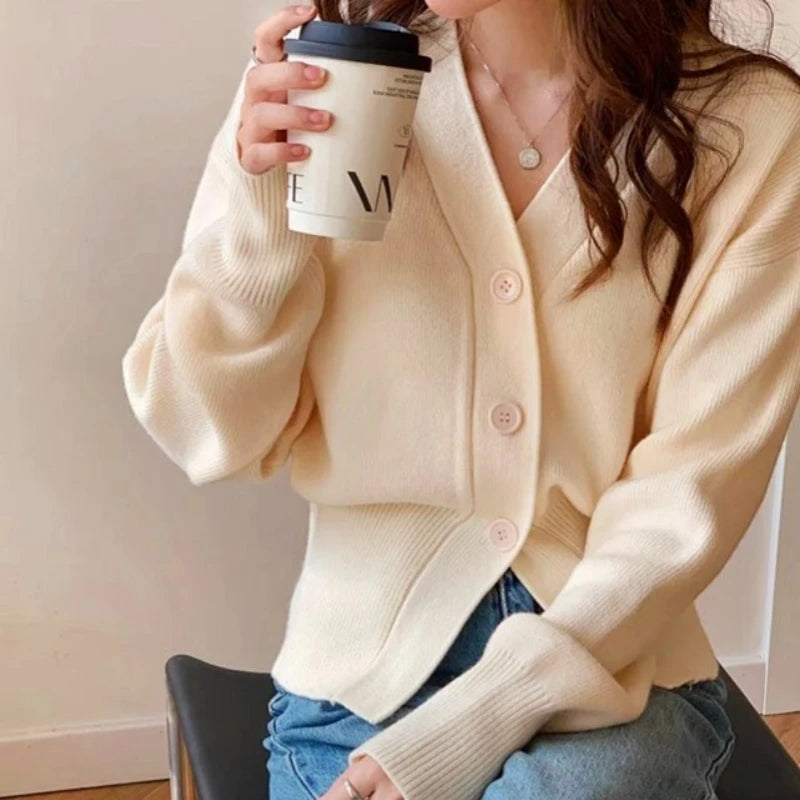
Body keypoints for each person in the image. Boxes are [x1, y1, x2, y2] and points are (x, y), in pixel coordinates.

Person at [121, 0, 800, 797]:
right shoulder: (335, 77)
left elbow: (689, 492)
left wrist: (472, 726)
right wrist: (261, 214)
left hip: (615, 677)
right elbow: (204, 427)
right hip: (358, 689)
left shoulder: (750, 127)